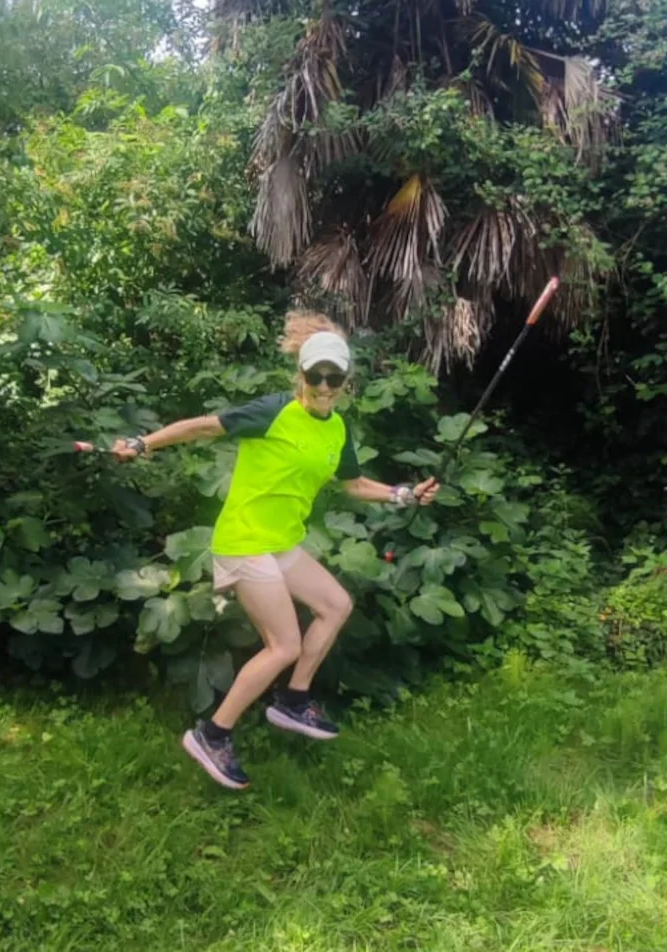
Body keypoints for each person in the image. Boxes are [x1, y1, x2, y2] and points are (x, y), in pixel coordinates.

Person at [111, 312, 439, 791]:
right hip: (244, 541)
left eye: (333, 378)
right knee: (283, 644)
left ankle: (293, 700)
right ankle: (211, 735)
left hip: (281, 542)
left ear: (346, 381)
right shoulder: (274, 412)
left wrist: (403, 494)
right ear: (300, 374)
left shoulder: (337, 430)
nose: (323, 386)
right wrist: (144, 443)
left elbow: (353, 484)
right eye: (315, 376)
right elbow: (203, 427)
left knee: (335, 605)